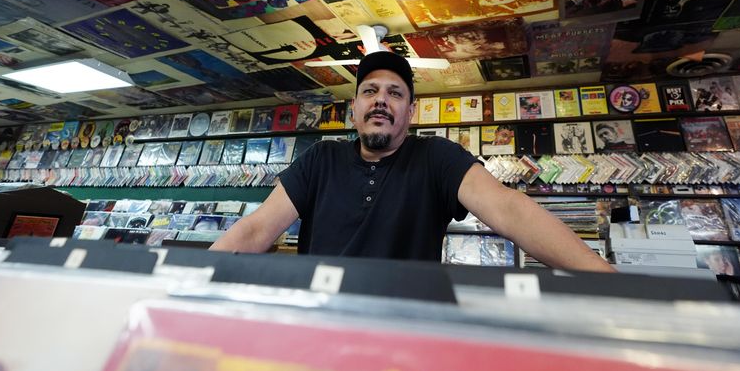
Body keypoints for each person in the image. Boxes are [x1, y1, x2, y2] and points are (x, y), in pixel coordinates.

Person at [212, 51, 613, 272]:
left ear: (411, 111)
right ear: (354, 109)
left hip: (404, 334)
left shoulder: (436, 157)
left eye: (395, 93)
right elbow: (256, 229)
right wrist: (191, 279)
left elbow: (509, 209)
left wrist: (603, 277)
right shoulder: (321, 158)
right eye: (369, 91)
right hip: (321, 327)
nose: (381, 100)